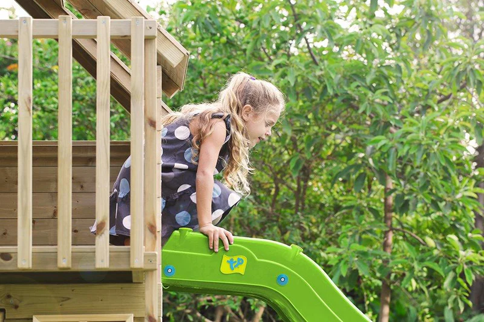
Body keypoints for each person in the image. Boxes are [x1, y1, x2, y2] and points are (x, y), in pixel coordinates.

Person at [91, 72, 285, 252]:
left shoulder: (218, 123)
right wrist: (206, 225)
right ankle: (142, 250)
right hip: (149, 176)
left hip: (156, 177)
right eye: (268, 124)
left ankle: (144, 249)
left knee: (211, 195)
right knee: (215, 194)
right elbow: (204, 174)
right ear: (247, 112)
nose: (268, 132)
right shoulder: (218, 125)